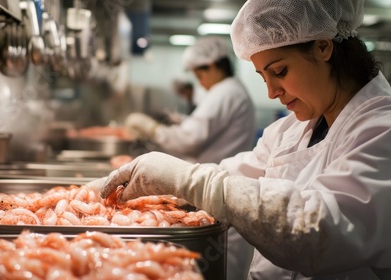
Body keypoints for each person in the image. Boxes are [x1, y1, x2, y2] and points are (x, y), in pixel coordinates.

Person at [86, 0, 391, 279]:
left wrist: (191, 180)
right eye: (263, 77)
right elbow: (239, 173)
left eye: (280, 71)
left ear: (323, 47)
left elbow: (321, 232)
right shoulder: (290, 130)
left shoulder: (381, 128)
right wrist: (158, 184)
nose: (271, 92)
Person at [124, 36, 256, 164]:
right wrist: (184, 120)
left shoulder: (225, 92)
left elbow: (188, 140)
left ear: (212, 66)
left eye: (199, 76)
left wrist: (152, 129)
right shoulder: (232, 89)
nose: (200, 84)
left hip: (214, 173)